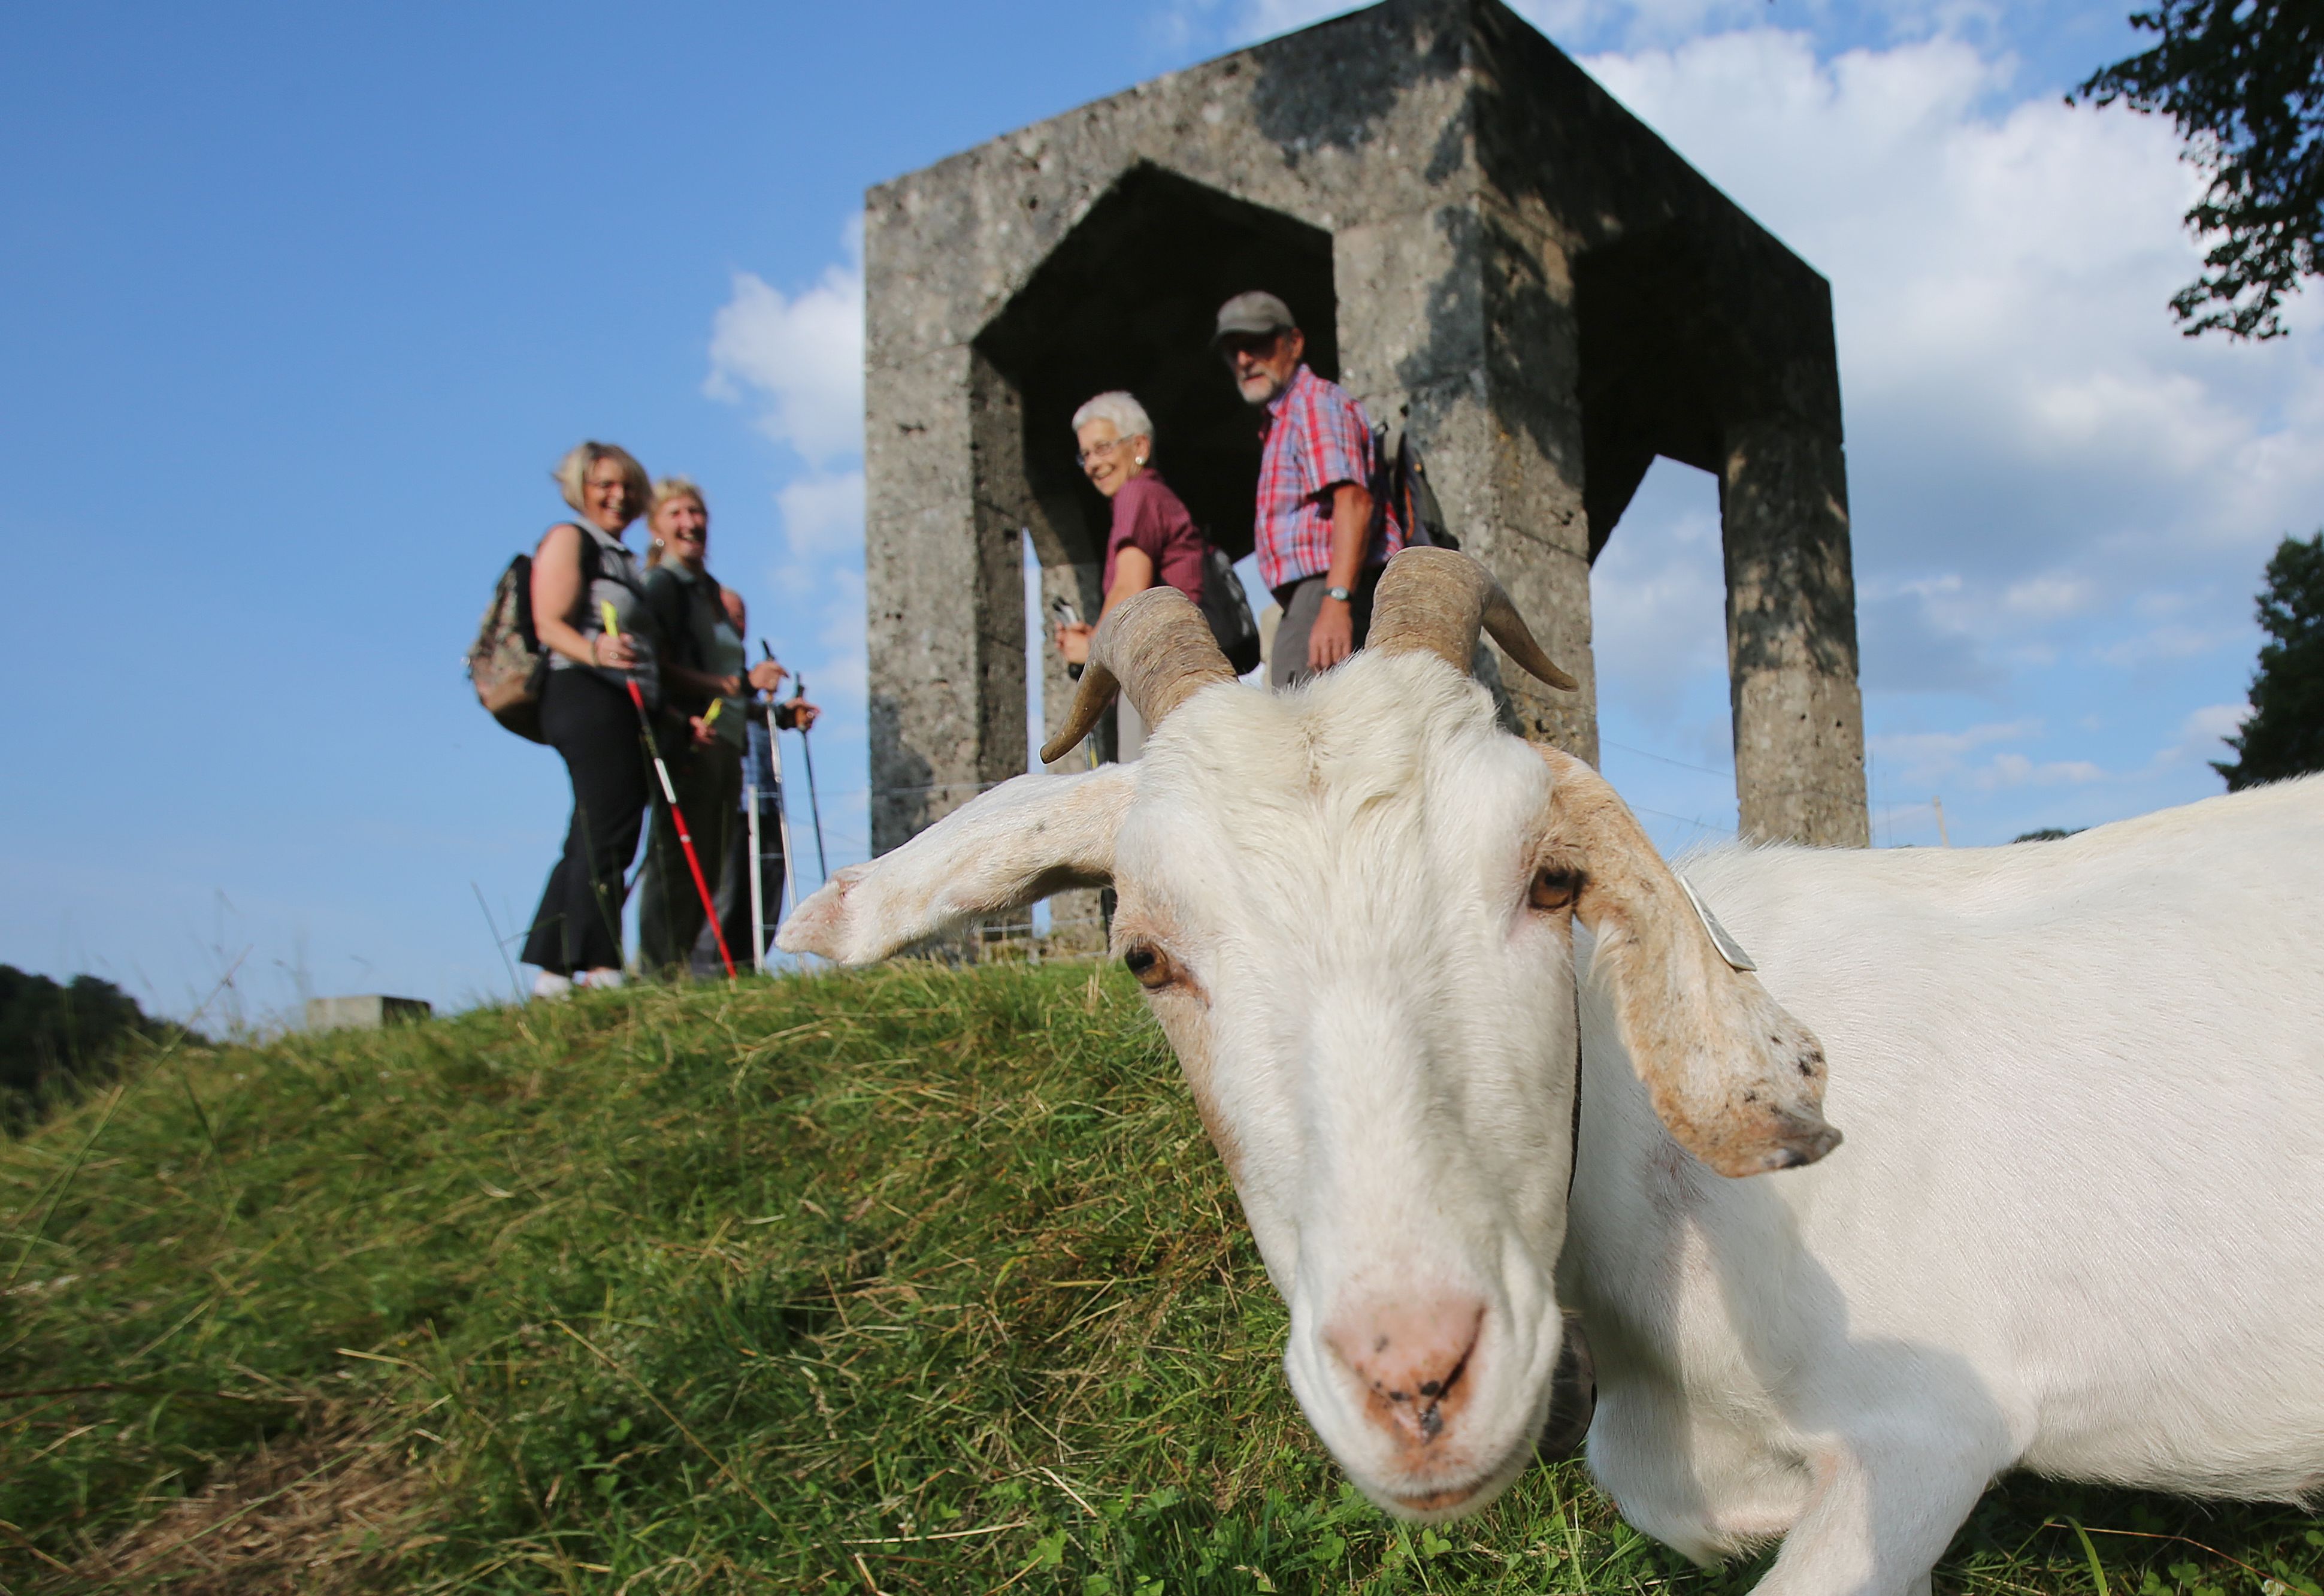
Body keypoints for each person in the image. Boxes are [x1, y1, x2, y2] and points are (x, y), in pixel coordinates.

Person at [636, 479, 817, 977]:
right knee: (676, 862)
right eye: (675, 513)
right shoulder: (664, 586)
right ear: (656, 527)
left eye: (696, 513)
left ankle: (680, 979)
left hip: (727, 750)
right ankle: (655, 976)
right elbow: (659, 665)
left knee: (711, 870)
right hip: (689, 742)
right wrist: (739, 682)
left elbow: (732, 693)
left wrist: (779, 714)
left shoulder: (710, 593)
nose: (689, 523)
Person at [519, 441, 662, 999]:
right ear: (579, 487)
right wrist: (597, 651)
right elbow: (549, 622)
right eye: (605, 484)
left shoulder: (623, 558)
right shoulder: (569, 539)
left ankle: (553, 969)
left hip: (619, 701)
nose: (618, 495)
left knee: (591, 829)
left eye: (627, 485)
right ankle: (599, 963)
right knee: (608, 828)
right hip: (581, 692)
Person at [1213, 291, 1403, 690]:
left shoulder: (1312, 404)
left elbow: (1353, 501)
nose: (1244, 360)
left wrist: (1335, 600)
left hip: (1327, 588)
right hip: (1312, 597)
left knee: (1301, 733)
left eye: (1256, 344)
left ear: (1294, 343)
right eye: (1234, 351)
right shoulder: (1284, 418)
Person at [1052, 391, 1207, 758]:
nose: (1092, 464)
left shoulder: (1136, 494)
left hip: (1155, 672)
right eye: (1085, 454)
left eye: (1103, 448)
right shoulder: (1154, 494)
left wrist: (1091, 656)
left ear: (1139, 445)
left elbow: (1130, 588)